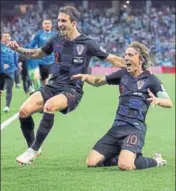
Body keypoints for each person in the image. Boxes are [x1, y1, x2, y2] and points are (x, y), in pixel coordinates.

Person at [7, 6, 126, 165]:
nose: (59, 24)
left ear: (74, 23)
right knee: (23, 111)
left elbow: (112, 59)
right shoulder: (56, 39)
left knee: (50, 106)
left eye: (63, 21)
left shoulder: (88, 43)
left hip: (72, 89)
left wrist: (135, 65)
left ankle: (33, 150)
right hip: (53, 84)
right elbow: (38, 53)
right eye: (58, 20)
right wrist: (19, 49)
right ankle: (32, 147)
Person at [72, 41, 172, 171]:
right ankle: (124, 155)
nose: (126, 58)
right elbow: (98, 81)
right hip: (117, 128)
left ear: (140, 59)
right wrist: (86, 77)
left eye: (130, 55)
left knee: (125, 166)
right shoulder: (122, 74)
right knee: (91, 162)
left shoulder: (151, 80)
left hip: (134, 129)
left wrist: (158, 100)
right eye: (125, 55)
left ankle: (156, 161)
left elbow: (169, 103)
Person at [27, 19, 56, 85]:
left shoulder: (55, 35)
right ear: (42, 25)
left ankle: (50, 92)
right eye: (45, 23)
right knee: (44, 82)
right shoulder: (39, 35)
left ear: (51, 25)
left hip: (52, 61)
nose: (47, 25)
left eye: (49, 23)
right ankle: (45, 94)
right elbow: (31, 46)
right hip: (41, 62)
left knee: (50, 81)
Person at [1, 32, 18, 112]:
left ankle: (7, 106)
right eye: (5, 36)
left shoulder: (13, 47)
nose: (7, 38)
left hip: (11, 71)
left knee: (9, 89)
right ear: (1, 38)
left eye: (8, 36)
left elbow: (15, 56)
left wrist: (16, 66)